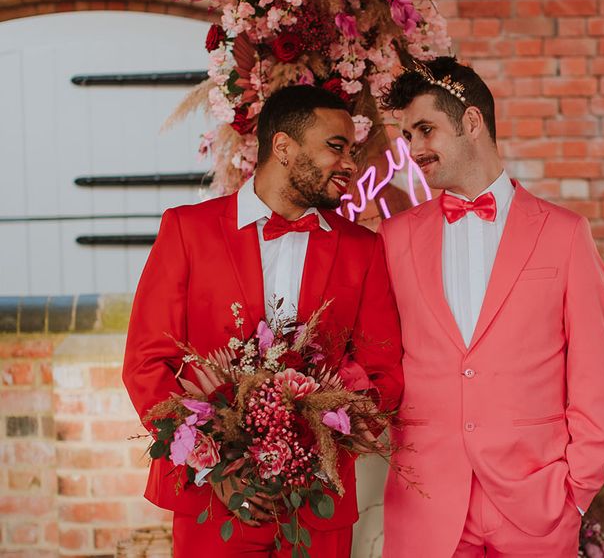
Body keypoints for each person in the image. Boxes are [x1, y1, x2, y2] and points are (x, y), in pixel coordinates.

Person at [122, 84, 403, 557]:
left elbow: (383, 374)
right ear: (283, 147)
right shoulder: (186, 231)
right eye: (336, 147)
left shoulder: (364, 249)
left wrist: (316, 453)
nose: (351, 165)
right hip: (213, 504)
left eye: (352, 151)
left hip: (318, 504)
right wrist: (215, 466)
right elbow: (147, 362)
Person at [378, 58, 604, 557]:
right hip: (427, 502)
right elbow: (378, 355)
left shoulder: (566, 233)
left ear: (471, 122)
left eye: (425, 129)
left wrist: (577, 489)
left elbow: (595, 370)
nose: (413, 149)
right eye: (407, 135)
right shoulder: (393, 238)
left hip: (538, 501)